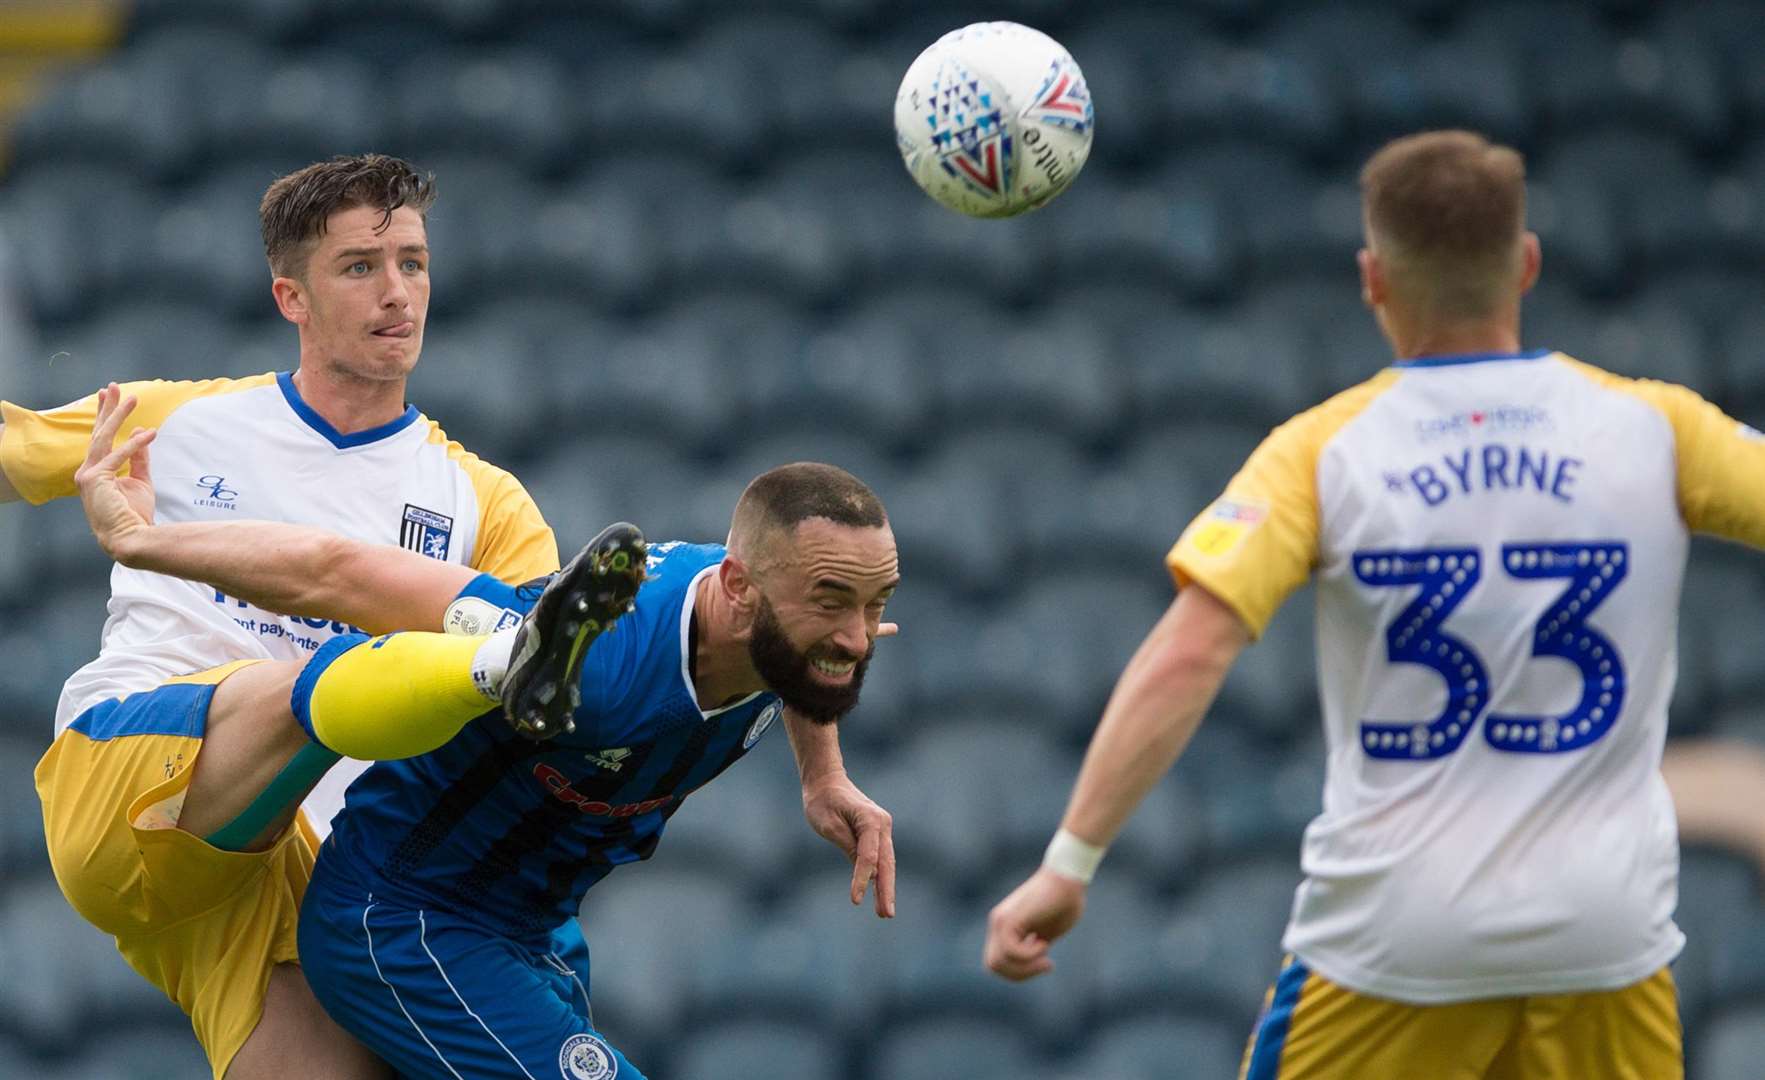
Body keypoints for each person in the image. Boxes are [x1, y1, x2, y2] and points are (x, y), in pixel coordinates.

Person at [982, 129, 1765, 1079]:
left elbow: (1188, 654)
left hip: (1397, 937)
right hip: (1602, 935)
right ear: (1524, 264)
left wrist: (1069, 863)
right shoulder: (1658, 428)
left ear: (1372, 278)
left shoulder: (1320, 451)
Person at [76, 398, 900, 1079]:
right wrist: (145, 543)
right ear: (737, 587)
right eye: (833, 600)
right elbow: (340, 571)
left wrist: (822, 777)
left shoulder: (772, 629)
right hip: (405, 925)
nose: (860, 637)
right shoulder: (598, 651)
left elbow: (804, 667)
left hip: (534, 934)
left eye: (876, 602)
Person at [5, 155, 560, 1079]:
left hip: (291, 877)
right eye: (359, 268)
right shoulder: (171, 422)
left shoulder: (482, 503)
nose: (397, 293)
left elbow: (564, 670)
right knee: (319, 685)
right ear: (289, 297)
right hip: (126, 769)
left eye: (413, 264)